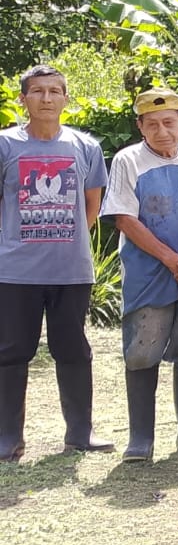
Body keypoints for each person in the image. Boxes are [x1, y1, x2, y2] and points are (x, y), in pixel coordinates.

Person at [102, 88, 178, 464]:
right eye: (152, 124)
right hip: (148, 273)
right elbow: (124, 218)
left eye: (169, 122)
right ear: (140, 126)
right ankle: (140, 438)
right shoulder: (128, 160)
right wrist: (172, 260)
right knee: (143, 350)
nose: (162, 131)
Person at [0, 65, 113, 461]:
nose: (46, 98)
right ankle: (7, 437)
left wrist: (67, 239)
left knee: (73, 349)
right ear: (23, 99)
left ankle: (80, 433)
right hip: (16, 272)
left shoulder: (85, 148)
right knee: (11, 351)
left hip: (71, 271)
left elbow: (91, 205)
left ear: (66, 98)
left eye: (54, 91)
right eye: (37, 91)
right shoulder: (5, 146)